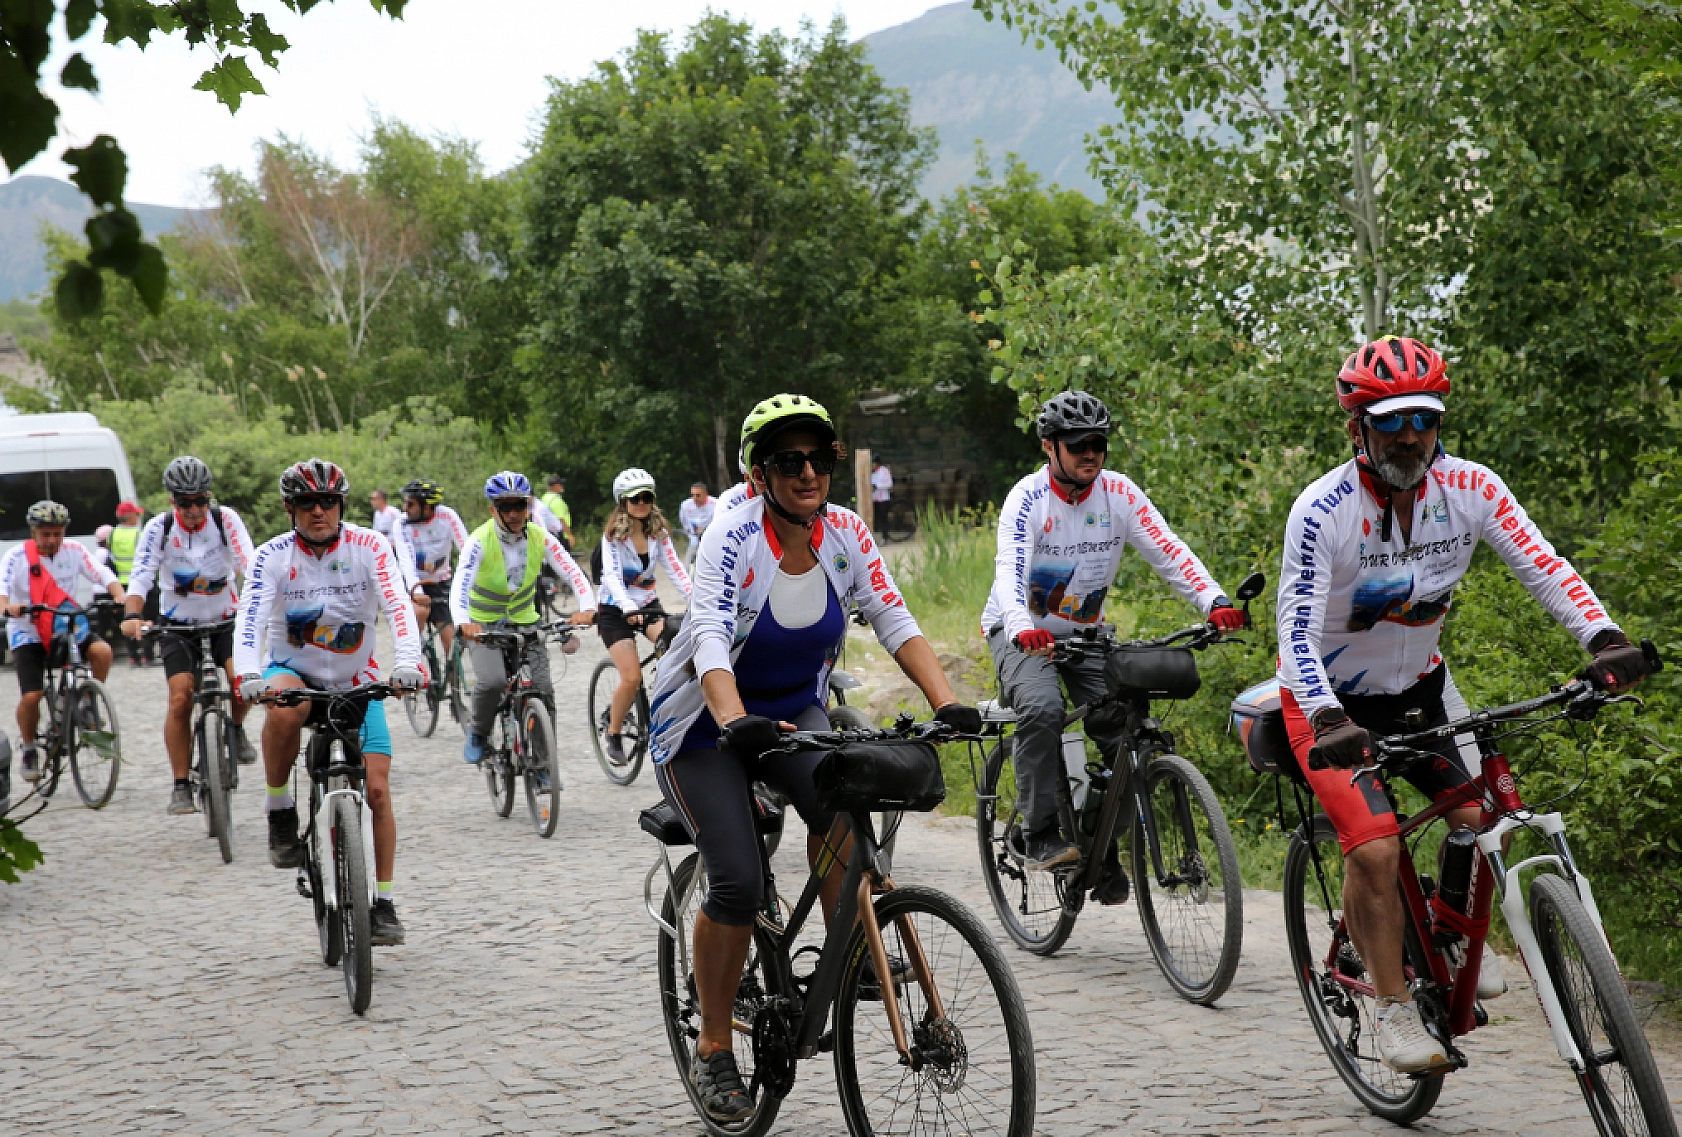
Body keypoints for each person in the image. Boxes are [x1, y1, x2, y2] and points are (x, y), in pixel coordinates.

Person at [1275, 335, 1651, 1073]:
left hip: (1422, 690)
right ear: (1358, 428)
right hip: (1327, 703)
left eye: (1424, 419)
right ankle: (1389, 1008)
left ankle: (1447, 936)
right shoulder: (1322, 511)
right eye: (1390, 421)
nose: (1410, 436)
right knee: (1378, 848)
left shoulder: (1472, 489)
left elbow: (1542, 564)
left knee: (1481, 816)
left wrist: (1603, 637)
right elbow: (1293, 629)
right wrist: (1325, 716)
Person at [646, 393, 980, 1123]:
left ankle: (847, 950)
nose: (807, 472)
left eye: (817, 458)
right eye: (788, 461)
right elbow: (706, 631)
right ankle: (711, 1047)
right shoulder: (732, 535)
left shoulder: (845, 534)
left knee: (842, 804)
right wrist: (733, 719)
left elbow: (893, 614)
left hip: (794, 712)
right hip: (705, 723)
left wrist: (947, 700)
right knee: (735, 874)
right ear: (760, 473)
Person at [983, 390, 1243, 897]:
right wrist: (1020, 625)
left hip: (1085, 638)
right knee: (1041, 708)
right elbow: (1009, 572)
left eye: (1097, 443)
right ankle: (1036, 831)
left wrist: (1213, 600)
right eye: (1076, 443)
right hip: (1020, 632)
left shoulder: (1119, 494)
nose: (1089, 454)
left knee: (1130, 738)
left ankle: (1097, 846)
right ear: (1048, 447)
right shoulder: (1028, 499)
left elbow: (1169, 551)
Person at [235, 459, 424, 947]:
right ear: (289, 508)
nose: (318, 511)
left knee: (378, 793)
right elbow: (251, 617)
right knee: (283, 707)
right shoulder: (272, 555)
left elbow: (399, 606)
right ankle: (279, 807)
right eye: (306, 503)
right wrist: (249, 673)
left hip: (356, 681)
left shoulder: (370, 545)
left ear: (341, 505)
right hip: (292, 675)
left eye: (328, 502)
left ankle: (381, 902)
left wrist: (408, 663)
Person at [119, 456, 259, 816]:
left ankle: (238, 728)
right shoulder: (158, 529)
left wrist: (258, 602)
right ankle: (181, 783)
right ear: (173, 502)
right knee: (181, 699)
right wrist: (133, 615)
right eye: (186, 503)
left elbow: (249, 563)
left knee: (243, 680)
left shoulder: (225, 520)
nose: (195, 510)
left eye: (201, 501)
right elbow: (141, 577)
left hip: (226, 619)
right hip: (178, 625)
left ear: (209, 498)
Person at [452, 471, 597, 767]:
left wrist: (587, 607)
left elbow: (573, 572)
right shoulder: (479, 541)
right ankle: (478, 732)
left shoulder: (541, 538)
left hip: (527, 622)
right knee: (492, 682)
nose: (515, 513)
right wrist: (463, 622)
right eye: (506, 507)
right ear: (493, 510)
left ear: (528, 505)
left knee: (543, 690)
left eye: (520, 505)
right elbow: (460, 586)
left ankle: (544, 764)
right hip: (484, 625)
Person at [2, 500, 125, 785]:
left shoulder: (75, 551)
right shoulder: (16, 557)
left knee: (102, 651)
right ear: (33, 532)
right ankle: (30, 747)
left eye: (58, 533)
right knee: (32, 696)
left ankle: (84, 700)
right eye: (46, 534)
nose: (53, 540)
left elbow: (102, 573)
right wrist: (9, 607)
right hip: (28, 631)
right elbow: (2, 590)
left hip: (64, 625)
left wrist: (118, 594)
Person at [596, 468, 691, 764]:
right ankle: (613, 733)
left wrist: (699, 601)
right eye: (634, 498)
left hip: (647, 604)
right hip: (615, 609)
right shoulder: (612, 536)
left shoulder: (658, 532)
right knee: (631, 675)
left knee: (676, 642)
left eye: (646, 497)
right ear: (623, 502)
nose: (641, 502)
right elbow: (610, 575)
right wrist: (626, 606)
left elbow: (676, 569)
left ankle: (665, 703)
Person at [399, 478, 470, 660]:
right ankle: (414, 658)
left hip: (441, 581)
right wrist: (418, 592)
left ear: (427, 507)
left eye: (410, 504)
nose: (405, 508)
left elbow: (466, 549)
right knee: (419, 612)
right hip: (414, 583)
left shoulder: (447, 516)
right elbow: (406, 562)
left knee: (451, 641)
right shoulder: (401, 523)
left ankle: (452, 683)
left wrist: (468, 583)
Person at [111, 499, 154, 666]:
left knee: (128, 621)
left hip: (122, 583)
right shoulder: (138, 534)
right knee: (146, 619)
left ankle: (133, 656)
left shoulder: (113, 534)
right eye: (136, 514)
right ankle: (147, 655)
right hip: (139, 584)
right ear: (129, 517)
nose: (137, 517)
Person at [678, 481, 716, 568]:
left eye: (698, 495)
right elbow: (684, 521)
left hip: (711, 538)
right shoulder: (685, 505)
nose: (695, 498)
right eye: (693, 495)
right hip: (694, 537)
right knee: (688, 565)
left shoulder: (716, 504)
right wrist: (690, 533)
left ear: (706, 494)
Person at [540, 474, 573, 550]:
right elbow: (561, 520)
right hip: (561, 535)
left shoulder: (544, 498)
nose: (562, 486)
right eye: (560, 484)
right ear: (554, 486)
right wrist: (570, 535)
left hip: (548, 534)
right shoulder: (556, 500)